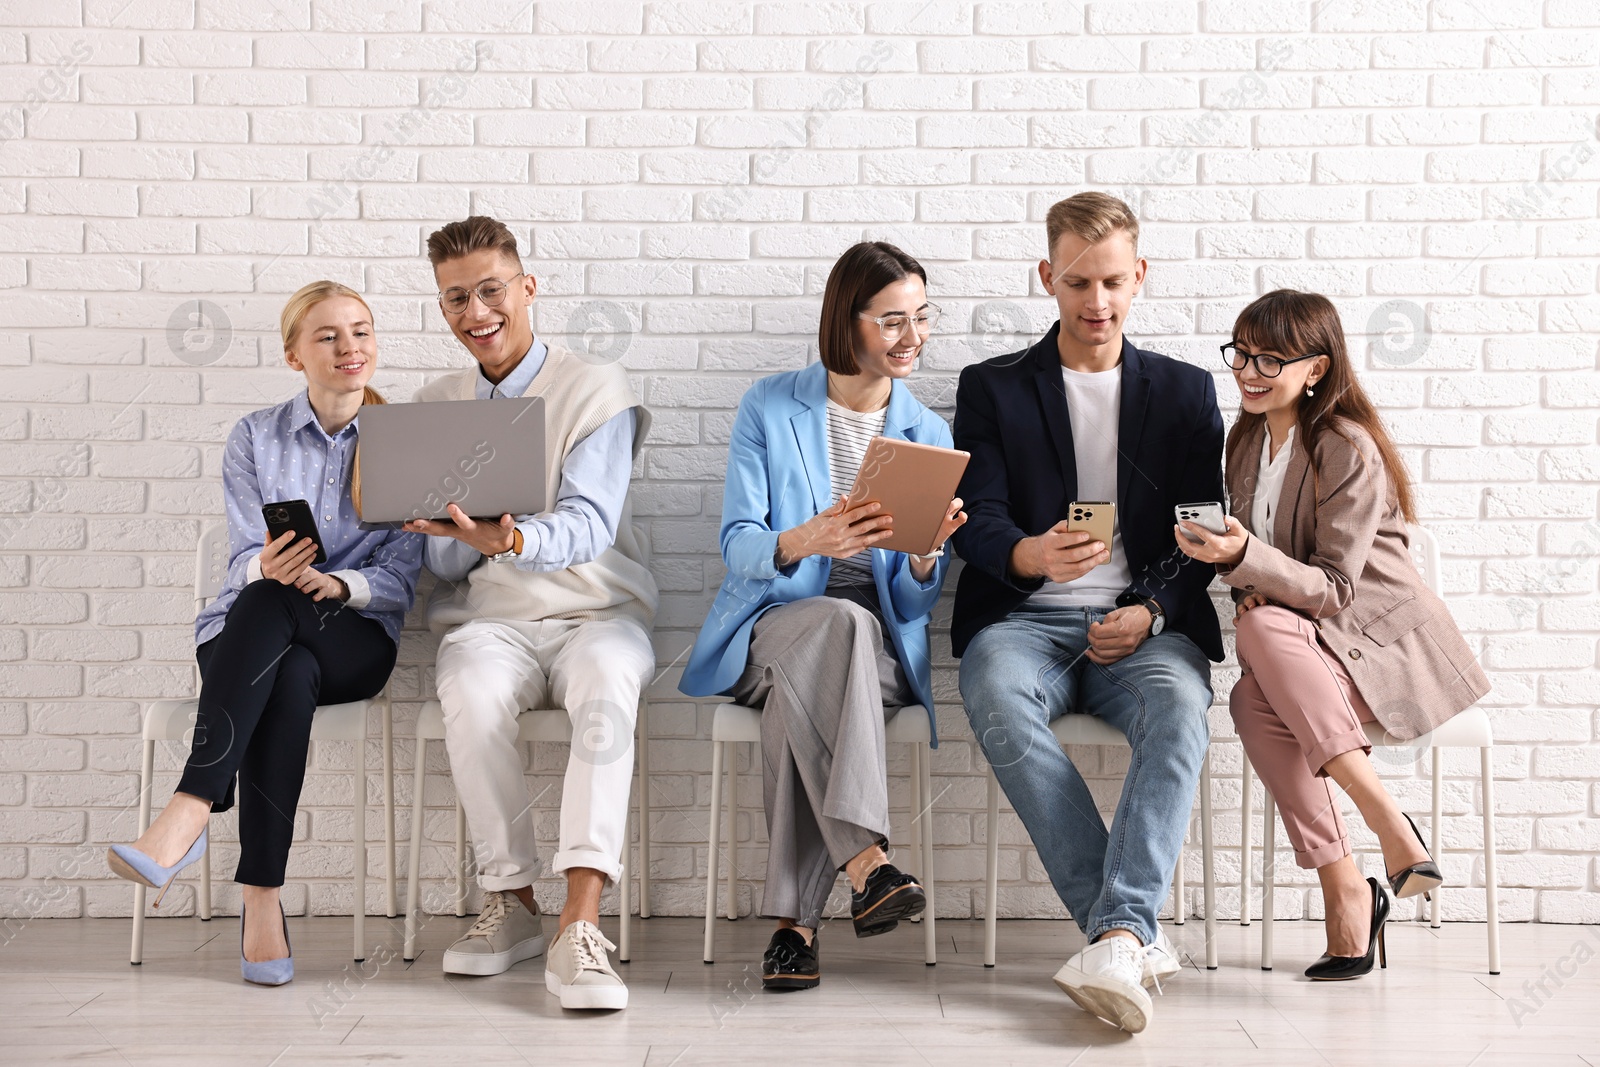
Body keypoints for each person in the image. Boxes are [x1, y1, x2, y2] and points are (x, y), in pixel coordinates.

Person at [951, 192, 1224, 1033]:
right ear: (1048, 278)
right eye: (1077, 282)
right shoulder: (992, 386)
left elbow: (1200, 534)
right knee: (993, 690)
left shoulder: (1184, 391)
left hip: (1140, 631)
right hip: (1026, 623)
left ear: (1139, 278)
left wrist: (1147, 608)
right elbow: (977, 516)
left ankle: (1115, 930)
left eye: (1111, 281)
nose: (1095, 301)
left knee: (1181, 707)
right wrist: (1030, 553)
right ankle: (1124, 929)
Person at [107, 281, 423, 986]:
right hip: (250, 634)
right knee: (282, 652)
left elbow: (404, 574)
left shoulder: (403, 439)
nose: (350, 347)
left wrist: (338, 584)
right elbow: (243, 556)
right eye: (329, 336)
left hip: (355, 636)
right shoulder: (256, 434)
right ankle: (261, 902)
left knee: (280, 610)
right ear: (293, 356)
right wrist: (265, 564)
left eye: (362, 331)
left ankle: (186, 813)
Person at [1175, 288, 1490, 980]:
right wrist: (1228, 561)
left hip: (1371, 645)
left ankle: (1374, 835)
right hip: (1302, 649)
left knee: (1257, 658)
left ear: (1316, 369)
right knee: (1248, 699)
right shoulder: (1245, 440)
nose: (1249, 371)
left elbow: (1337, 588)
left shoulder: (1344, 444)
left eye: (1270, 358)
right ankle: (1356, 874)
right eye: (1241, 353)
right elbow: (1264, 565)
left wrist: (1242, 561)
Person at [681, 241, 966, 991]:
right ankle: (866, 861)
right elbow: (738, 544)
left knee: (832, 652)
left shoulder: (927, 432)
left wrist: (927, 558)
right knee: (833, 624)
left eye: (923, 318)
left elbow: (909, 604)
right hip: (777, 619)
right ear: (849, 322)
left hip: (872, 643)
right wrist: (809, 538)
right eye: (894, 321)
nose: (914, 337)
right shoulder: (771, 405)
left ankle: (793, 928)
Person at [401, 216, 655, 1011]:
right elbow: (441, 564)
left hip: (597, 612)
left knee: (607, 690)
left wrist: (507, 532)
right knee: (470, 691)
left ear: (527, 288)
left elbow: (589, 525)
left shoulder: (595, 386)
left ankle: (580, 921)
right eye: (455, 299)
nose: (476, 313)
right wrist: (452, 533)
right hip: (493, 621)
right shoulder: (436, 403)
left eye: (490, 290)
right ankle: (510, 901)